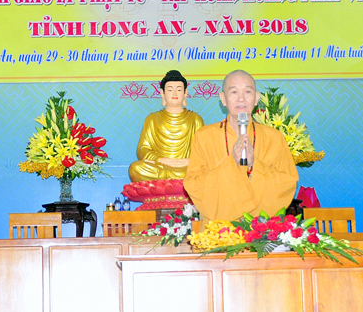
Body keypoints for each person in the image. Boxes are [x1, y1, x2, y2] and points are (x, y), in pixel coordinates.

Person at [184, 70, 298, 222]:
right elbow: (194, 184)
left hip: (260, 228)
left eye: (247, 92)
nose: (241, 98)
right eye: (234, 92)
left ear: (256, 98)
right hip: (219, 229)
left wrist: (254, 164)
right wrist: (231, 162)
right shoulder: (204, 137)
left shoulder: (274, 138)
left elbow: (287, 183)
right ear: (223, 98)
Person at [128, 70, 205, 182]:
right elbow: (142, 149)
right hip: (160, 167)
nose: (175, 94)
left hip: (186, 167)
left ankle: (171, 180)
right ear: (162, 93)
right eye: (170, 90)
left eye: (179, 90)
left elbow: (203, 151)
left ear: (185, 93)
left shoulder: (195, 119)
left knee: (204, 170)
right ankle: (176, 180)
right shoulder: (152, 119)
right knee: (135, 169)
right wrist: (161, 160)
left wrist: (188, 161)